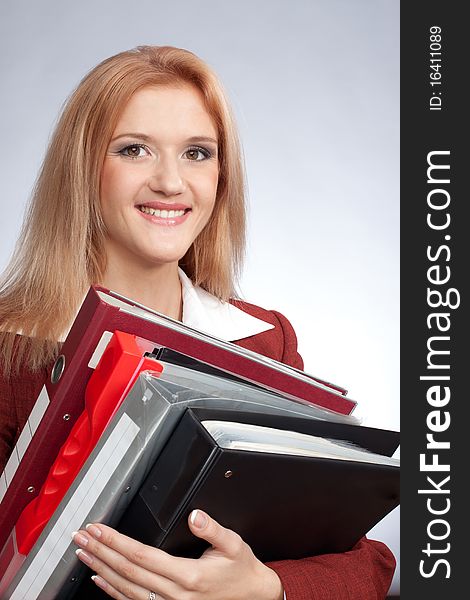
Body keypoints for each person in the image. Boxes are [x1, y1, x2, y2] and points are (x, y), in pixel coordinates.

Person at [0, 45, 395, 599]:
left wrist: (268, 589)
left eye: (197, 153)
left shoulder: (264, 341)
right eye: (134, 150)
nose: (170, 182)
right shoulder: (8, 351)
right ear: (83, 171)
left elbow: (365, 562)